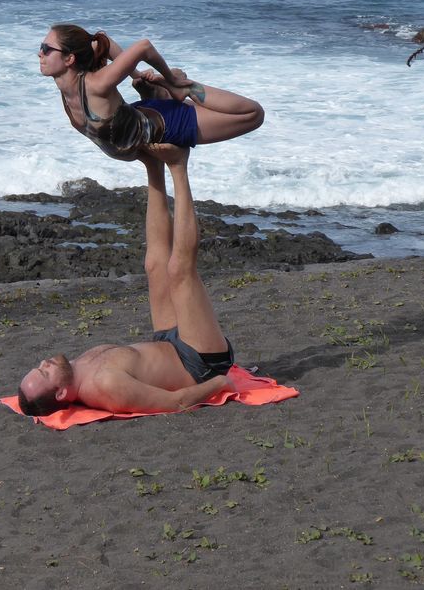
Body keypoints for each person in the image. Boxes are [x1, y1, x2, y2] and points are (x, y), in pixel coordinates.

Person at [18, 146, 235, 415]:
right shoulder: (105, 387)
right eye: (44, 372)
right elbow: (175, 402)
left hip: (167, 342)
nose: (45, 362)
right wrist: (220, 382)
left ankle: (153, 166)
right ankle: (179, 166)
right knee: (180, 270)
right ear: (61, 393)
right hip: (199, 362)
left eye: (39, 366)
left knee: (155, 264)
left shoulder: (74, 368)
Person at [39, 24, 264, 161]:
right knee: (156, 101)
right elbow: (101, 45)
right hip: (137, 119)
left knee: (253, 114)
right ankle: (162, 91)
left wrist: (171, 78)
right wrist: (137, 76)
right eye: (41, 47)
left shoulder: (97, 84)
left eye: (47, 49)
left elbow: (144, 46)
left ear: (69, 59)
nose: (40, 53)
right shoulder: (69, 88)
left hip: (164, 126)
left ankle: (183, 86)